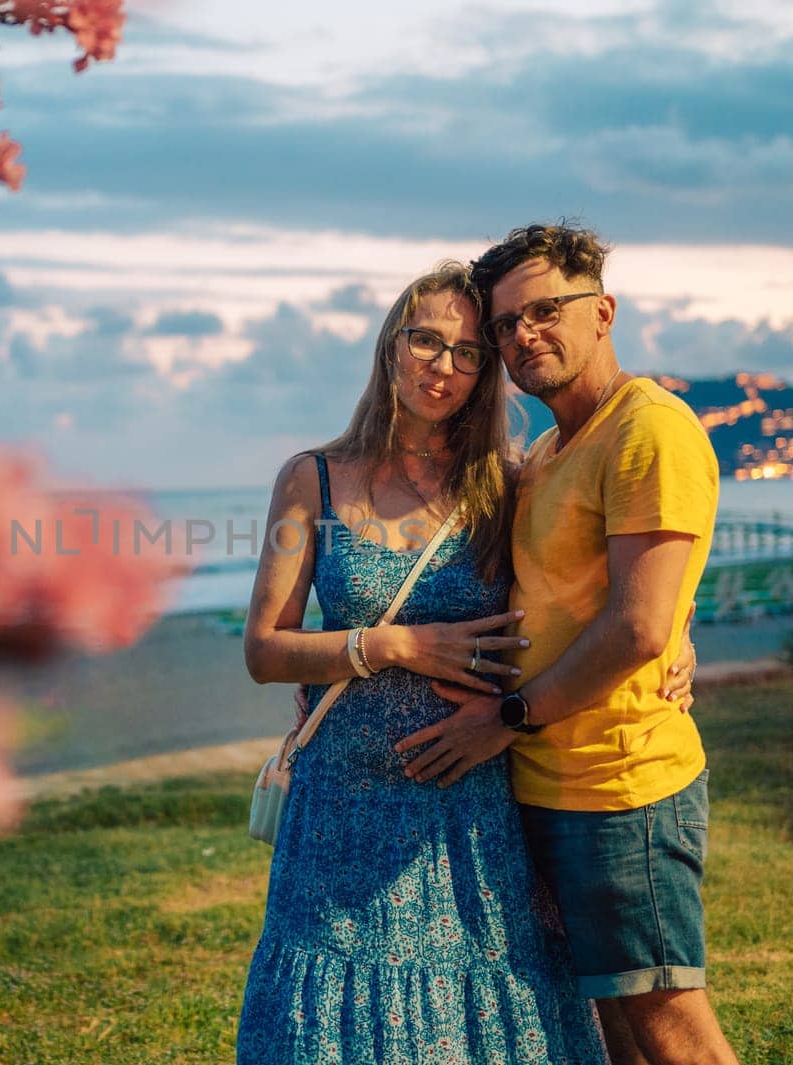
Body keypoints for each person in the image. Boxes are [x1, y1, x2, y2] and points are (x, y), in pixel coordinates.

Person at [236, 260, 690, 1064]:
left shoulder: (505, 486)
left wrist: (680, 629)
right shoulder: (309, 480)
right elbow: (265, 650)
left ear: (486, 374)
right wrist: (394, 644)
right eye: (425, 340)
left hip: (470, 799)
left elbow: (601, 585)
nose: (443, 366)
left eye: (470, 352)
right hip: (340, 804)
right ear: (390, 345)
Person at [395, 223, 738, 1065]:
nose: (523, 335)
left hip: (622, 785)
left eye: (546, 310)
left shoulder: (646, 428)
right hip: (552, 788)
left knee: (668, 1023)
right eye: (507, 324)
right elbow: (575, 596)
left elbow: (638, 623)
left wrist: (506, 716)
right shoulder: (547, 453)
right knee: (614, 1026)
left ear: (603, 312)